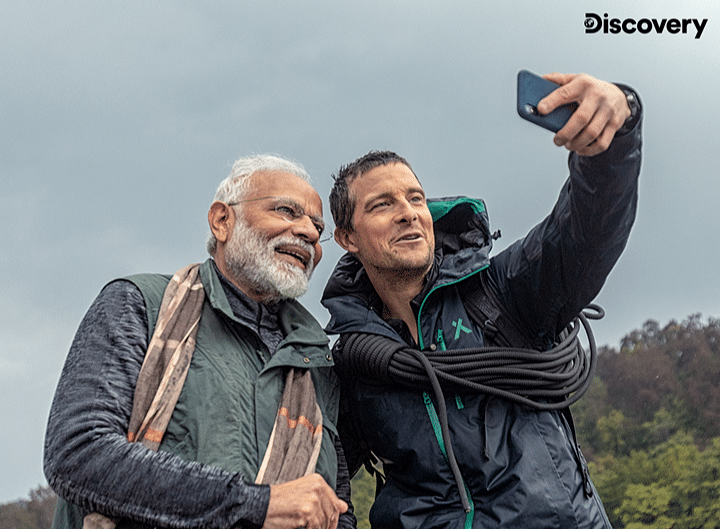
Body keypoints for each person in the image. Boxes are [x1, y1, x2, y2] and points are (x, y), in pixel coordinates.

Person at [321, 73, 642, 528]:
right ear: (347, 237)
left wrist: (614, 141)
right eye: (382, 205)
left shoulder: (503, 290)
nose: (409, 212)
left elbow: (587, 233)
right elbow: (320, 479)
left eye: (415, 198)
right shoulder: (353, 360)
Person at [44, 154, 353, 529]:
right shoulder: (140, 304)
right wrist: (253, 505)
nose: (307, 231)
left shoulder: (316, 361)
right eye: (287, 211)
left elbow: (334, 509)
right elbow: (78, 454)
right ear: (222, 220)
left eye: (317, 227)